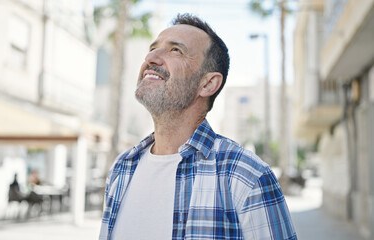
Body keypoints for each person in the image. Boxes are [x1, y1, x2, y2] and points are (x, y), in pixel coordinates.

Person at [99, 13, 297, 240]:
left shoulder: (247, 176)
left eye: (176, 50)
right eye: (153, 48)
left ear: (208, 83)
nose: (151, 57)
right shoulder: (122, 168)